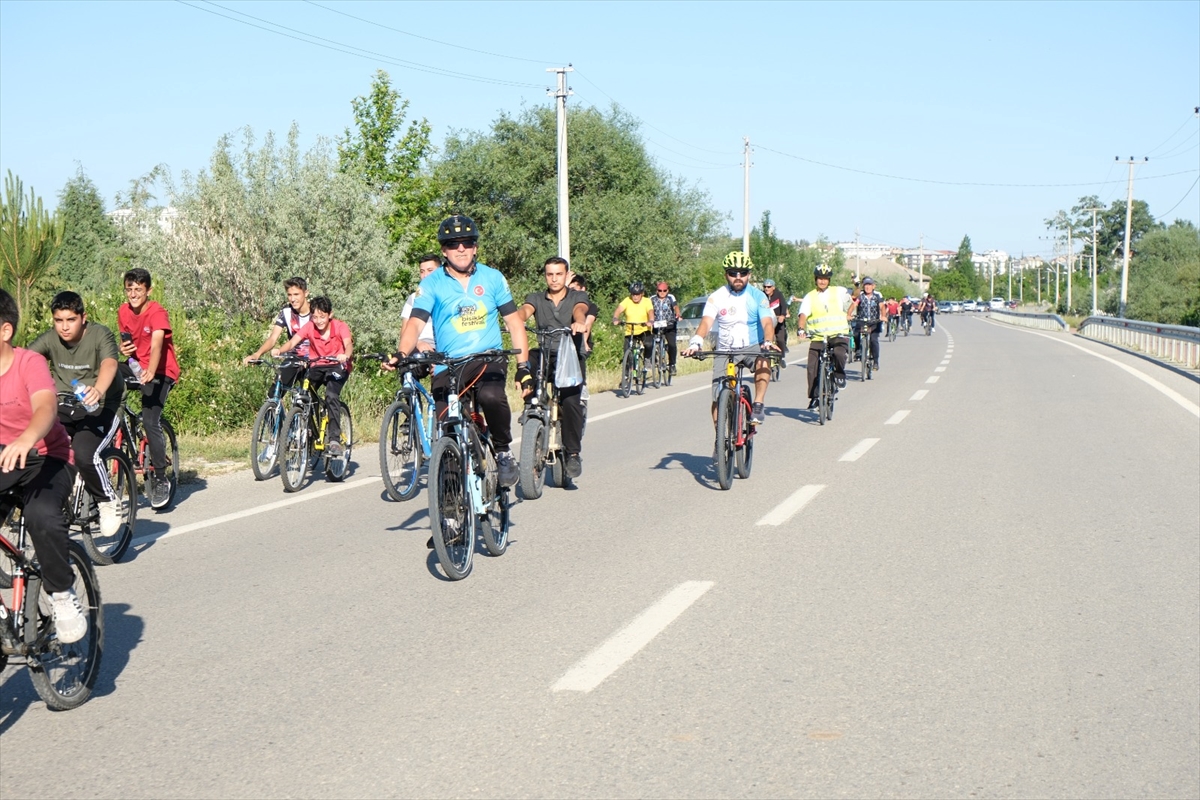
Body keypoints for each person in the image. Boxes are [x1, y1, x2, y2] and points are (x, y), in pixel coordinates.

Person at [394, 214, 529, 491]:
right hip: (449, 365)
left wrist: (523, 366)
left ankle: (503, 451)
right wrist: (401, 353)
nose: (461, 249)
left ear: (475, 246)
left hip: (487, 359)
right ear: (444, 250)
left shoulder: (492, 278)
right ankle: (452, 519)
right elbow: (415, 324)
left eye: (467, 242)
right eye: (453, 244)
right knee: (449, 434)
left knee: (491, 395)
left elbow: (514, 323)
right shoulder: (431, 284)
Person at [0, 289, 87, 643]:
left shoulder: (27, 363)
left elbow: (46, 407)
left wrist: (26, 438)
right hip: (6, 460)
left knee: (41, 516)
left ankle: (63, 595)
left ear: (5, 331)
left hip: (46, 457)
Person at [28, 291, 124, 538]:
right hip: (65, 404)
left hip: (103, 405)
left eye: (70, 319)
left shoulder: (99, 334)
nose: (64, 327)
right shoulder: (51, 339)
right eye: (58, 320)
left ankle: (108, 501)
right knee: (37, 447)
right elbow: (25, 360)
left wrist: (98, 389)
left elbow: (110, 364)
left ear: (83, 317)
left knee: (84, 453)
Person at [681, 251, 777, 425]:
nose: (738, 277)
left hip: (752, 345)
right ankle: (720, 441)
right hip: (725, 349)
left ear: (749, 274)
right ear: (726, 274)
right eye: (733, 273)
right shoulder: (717, 297)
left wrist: (768, 341)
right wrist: (696, 342)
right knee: (718, 397)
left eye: (743, 273)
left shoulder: (758, 296)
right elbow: (706, 322)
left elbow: (767, 323)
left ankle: (758, 404)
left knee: (764, 361)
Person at [517, 256, 589, 478]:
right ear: (545, 276)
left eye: (559, 274)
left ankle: (573, 454)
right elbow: (525, 311)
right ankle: (532, 404)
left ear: (567, 276)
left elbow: (580, 309)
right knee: (527, 361)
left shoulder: (577, 296)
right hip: (546, 352)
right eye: (550, 274)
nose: (554, 278)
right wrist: (515, 320)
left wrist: (579, 321)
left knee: (571, 402)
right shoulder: (536, 298)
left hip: (569, 356)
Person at [117, 268, 180, 509]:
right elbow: (126, 342)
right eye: (129, 289)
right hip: (136, 366)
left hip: (162, 371)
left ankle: (162, 479)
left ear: (148, 291)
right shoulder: (123, 311)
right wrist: (124, 351)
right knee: (107, 371)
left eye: (138, 290)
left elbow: (156, 344)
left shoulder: (157, 312)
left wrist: (151, 371)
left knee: (151, 420)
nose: (133, 294)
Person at [272, 296, 353, 457]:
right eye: (315, 317)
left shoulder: (340, 326)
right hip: (317, 365)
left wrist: (345, 355)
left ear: (330, 314)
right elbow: (293, 341)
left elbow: (348, 344)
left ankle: (335, 440)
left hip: (337, 365)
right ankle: (309, 431)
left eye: (322, 317)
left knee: (331, 394)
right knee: (303, 395)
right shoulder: (310, 327)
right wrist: (280, 350)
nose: (319, 321)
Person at [796, 265, 851, 409]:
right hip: (818, 337)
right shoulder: (810, 296)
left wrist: (850, 313)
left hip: (838, 334)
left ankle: (839, 374)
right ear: (816, 279)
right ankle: (815, 397)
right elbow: (803, 314)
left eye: (825, 279)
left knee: (839, 353)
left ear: (829, 280)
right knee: (811, 367)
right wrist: (801, 329)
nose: (822, 281)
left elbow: (851, 303)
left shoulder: (839, 291)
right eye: (820, 278)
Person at [243, 276, 312, 386]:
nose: (292, 299)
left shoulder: (317, 311)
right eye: (289, 295)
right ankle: (274, 404)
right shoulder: (286, 312)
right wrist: (257, 354)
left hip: (314, 360)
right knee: (276, 390)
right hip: (294, 358)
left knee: (310, 398)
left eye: (296, 294)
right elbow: (273, 338)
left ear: (306, 293)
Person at [612, 282, 654, 381]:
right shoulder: (627, 300)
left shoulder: (647, 301)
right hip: (630, 330)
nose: (635, 297)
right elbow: (618, 310)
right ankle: (626, 375)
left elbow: (650, 312)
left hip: (643, 329)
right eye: (633, 294)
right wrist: (615, 318)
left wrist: (650, 321)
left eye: (637, 294)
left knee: (648, 344)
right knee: (627, 351)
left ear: (642, 294)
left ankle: (647, 359)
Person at [567, 273, 599, 402]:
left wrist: (584, 342)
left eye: (575, 289)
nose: (572, 292)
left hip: (580, 339)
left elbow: (588, 322)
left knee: (579, 356)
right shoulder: (565, 303)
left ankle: (583, 385)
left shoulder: (590, 306)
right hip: (563, 341)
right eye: (570, 288)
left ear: (583, 290)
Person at [399, 254, 440, 353]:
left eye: (430, 270)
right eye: (422, 271)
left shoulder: (450, 295)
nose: (425, 275)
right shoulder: (414, 298)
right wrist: (418, 343)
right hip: (420, 348)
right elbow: (404, 332)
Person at [848, 276, 887, 371]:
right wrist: (848, 314)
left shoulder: (877, 295)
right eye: (866, 285)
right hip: (862, 321)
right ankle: (858, 350)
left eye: (869, 285)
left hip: (874, 322)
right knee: (856, 334)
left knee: (874, 340)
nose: (867, 287)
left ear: (873, 286)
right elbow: (854, 304)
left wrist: (883, 316)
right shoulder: (860, 295)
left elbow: (882, 307)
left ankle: (876, 362)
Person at [650, 281, 681, 375]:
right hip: (656, 324)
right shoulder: (652, 299)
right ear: (657, 291)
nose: (662, 292)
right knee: (649, 343)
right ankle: (654, 359)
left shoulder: (670, 297)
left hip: (669, 324)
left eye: (664, 290)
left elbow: (675, 306)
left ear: (667, 290)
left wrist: (678, 314)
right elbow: (648, 310)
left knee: (672, 344)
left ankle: (672, 365)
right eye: (660, 290)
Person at [762, 278, 790, 366]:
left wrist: (782, 315)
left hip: (778, 320)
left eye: (769, 287)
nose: (767, 288)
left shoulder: (778, 294)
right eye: (765, 287)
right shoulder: (762, 295)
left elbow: (783, 305)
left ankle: (781, 357)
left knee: (780, 339)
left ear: (773, 287)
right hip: (766, 321)